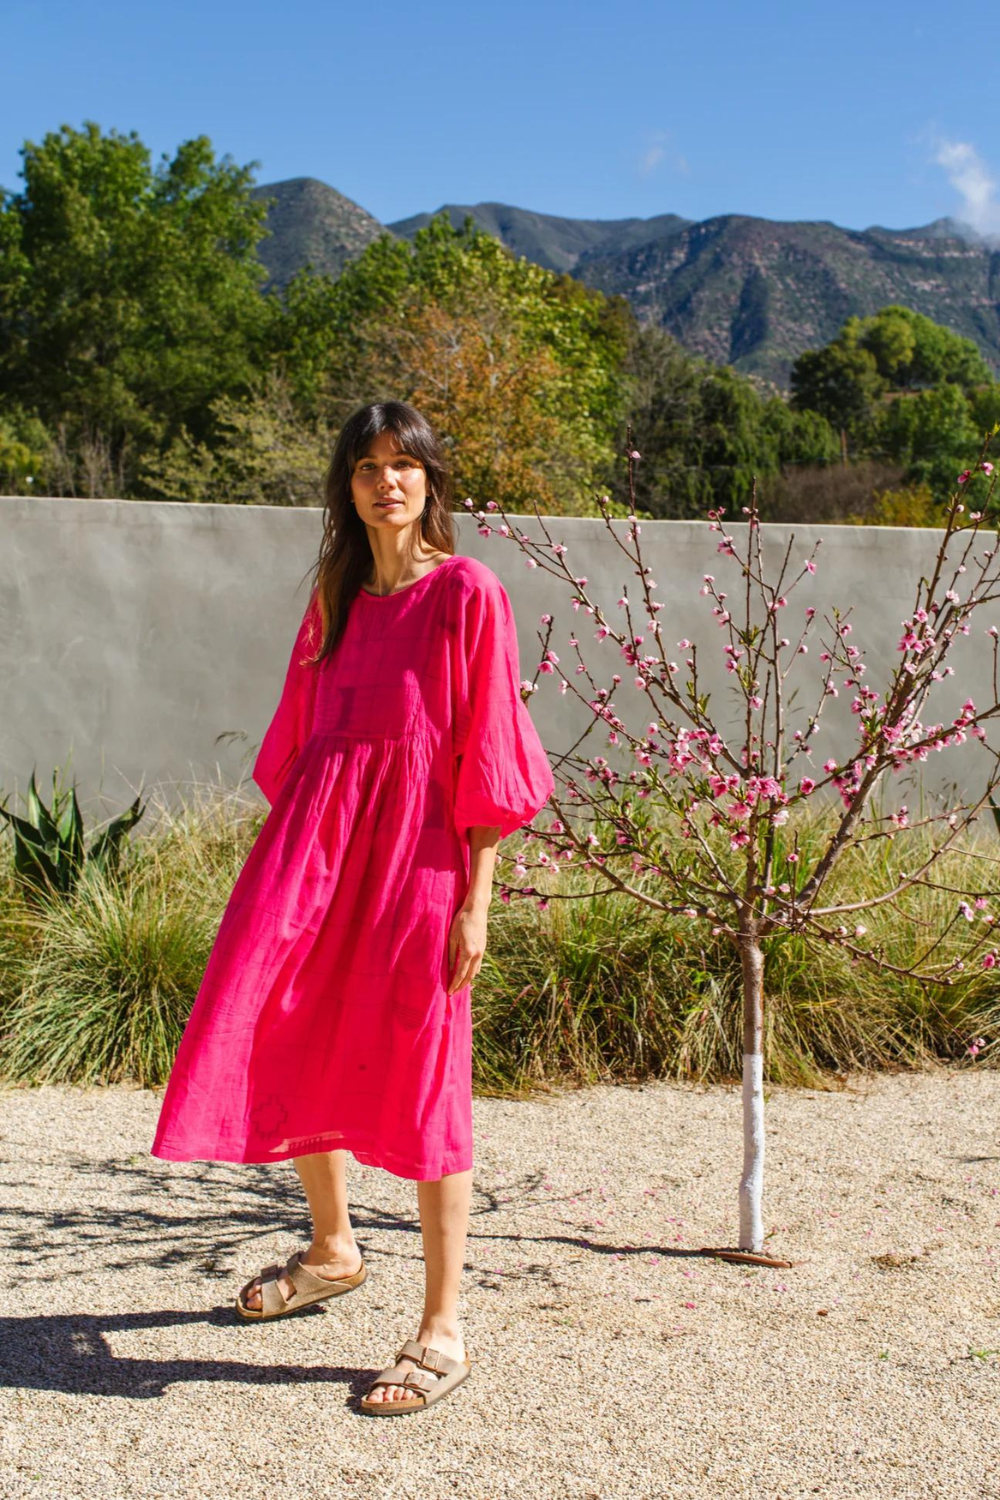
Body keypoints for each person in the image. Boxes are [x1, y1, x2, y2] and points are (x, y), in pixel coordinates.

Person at [151, 400, 554, 1415]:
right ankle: (333, 1249)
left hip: (420, 862)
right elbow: (298, 749)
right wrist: (298, 872)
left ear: (430, 481)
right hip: (318, 856)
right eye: (368, 466)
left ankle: (442, 1327)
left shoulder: (467, 591)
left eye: (403, 464)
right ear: (346, 486)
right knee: (287, 1027)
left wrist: (476, 902)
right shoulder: (332, 600)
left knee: (426, 1073)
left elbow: (488, 752)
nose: (387, 482)